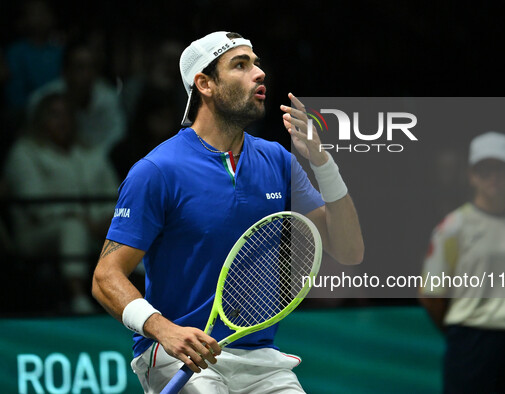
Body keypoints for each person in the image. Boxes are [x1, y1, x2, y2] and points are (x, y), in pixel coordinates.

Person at [92, 31, 364, 393]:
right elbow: (105, 277)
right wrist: (162, 328)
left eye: (257, 63)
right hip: (180, 356)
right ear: (204, 84)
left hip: (260, 358)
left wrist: (324, 164)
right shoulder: (157, 171)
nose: (259, 73)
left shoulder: (278, 161)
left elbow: (349, 251)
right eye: (241, 64)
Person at [419, 131, 505, 393]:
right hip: (470, 344)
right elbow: (430, 295)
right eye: (485, 170)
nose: (494, 177)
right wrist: (466, 330)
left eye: (501, 169)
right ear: (471, 175)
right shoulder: (452, 227)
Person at [3, 92, 119, 314]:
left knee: (131, 227)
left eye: (67, 114)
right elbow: (35, 205)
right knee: (72, 227)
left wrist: (106, 219)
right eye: (54, 115)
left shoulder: (89, 152)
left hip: (97, 229)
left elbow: (116, 193)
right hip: (36, 233)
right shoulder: (24, 152)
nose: (62, 121)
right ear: (40, 119)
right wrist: (83, 220)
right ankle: (78, 298)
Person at [27, 38, 126, 156]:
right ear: (66, 71)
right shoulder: (42, 100)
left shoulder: (108, 98)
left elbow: (116, 136)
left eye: (92, 67)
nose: (87, 74)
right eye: (80, 67)